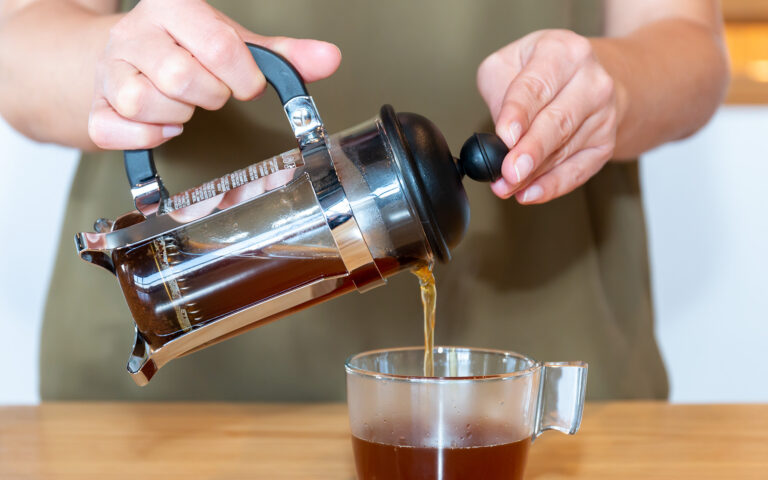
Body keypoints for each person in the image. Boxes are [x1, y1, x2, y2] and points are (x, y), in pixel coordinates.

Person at [0, 0, 728, 401]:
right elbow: (19, 39)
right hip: (170, 402)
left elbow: (690, 44)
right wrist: (110, 64)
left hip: (527, 388)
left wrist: (613, 84)